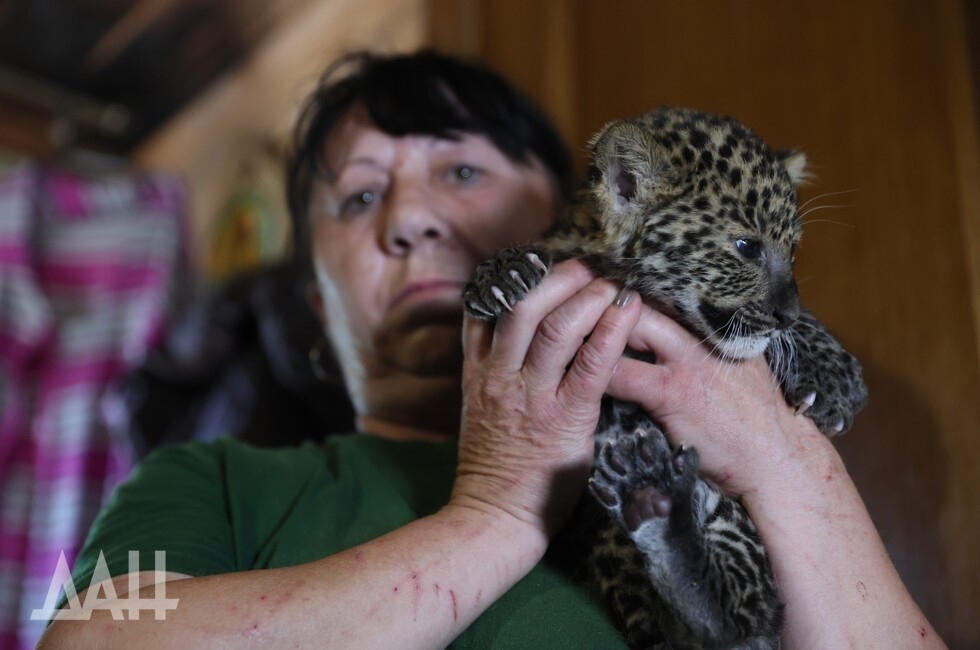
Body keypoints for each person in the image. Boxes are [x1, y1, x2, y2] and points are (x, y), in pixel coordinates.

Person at [38, 49, 943, 649]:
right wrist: (496, 515)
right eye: (358, 198)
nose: (411, 217)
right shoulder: (205, 482)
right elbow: (91, 641)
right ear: (314, 302)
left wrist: (783, 457)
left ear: (581, 206)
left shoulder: (731, 428)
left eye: (461, 170)